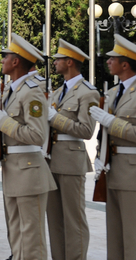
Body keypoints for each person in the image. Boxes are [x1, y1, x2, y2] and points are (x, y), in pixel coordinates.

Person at [0, 33, 56, 260]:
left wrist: (3, 121)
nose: (1, 60)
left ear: (16, 61)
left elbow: (37, 135)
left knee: (31, 238)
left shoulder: (31, 90)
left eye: (6, 57)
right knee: (16, 235)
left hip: (29, 170)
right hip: (14, 168)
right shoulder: (12, 89)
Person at [46, 39, 96, 260]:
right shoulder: (58, 92)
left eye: (58, 59)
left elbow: (86, 130)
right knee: (54, 219)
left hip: (71, 161)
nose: (54, 63)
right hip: (51, 159)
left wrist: (55, 119)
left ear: (69, 62)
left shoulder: (88, 92)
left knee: (73, 219)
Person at [89, 35, 136, 259]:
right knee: (114, 238)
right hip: (112, 170)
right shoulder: (111, 93)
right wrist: (100, 157)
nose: (108, 61)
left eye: (112, 58)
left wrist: (112, 122)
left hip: (132, 172)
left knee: (132, 237)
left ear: (125, 64)